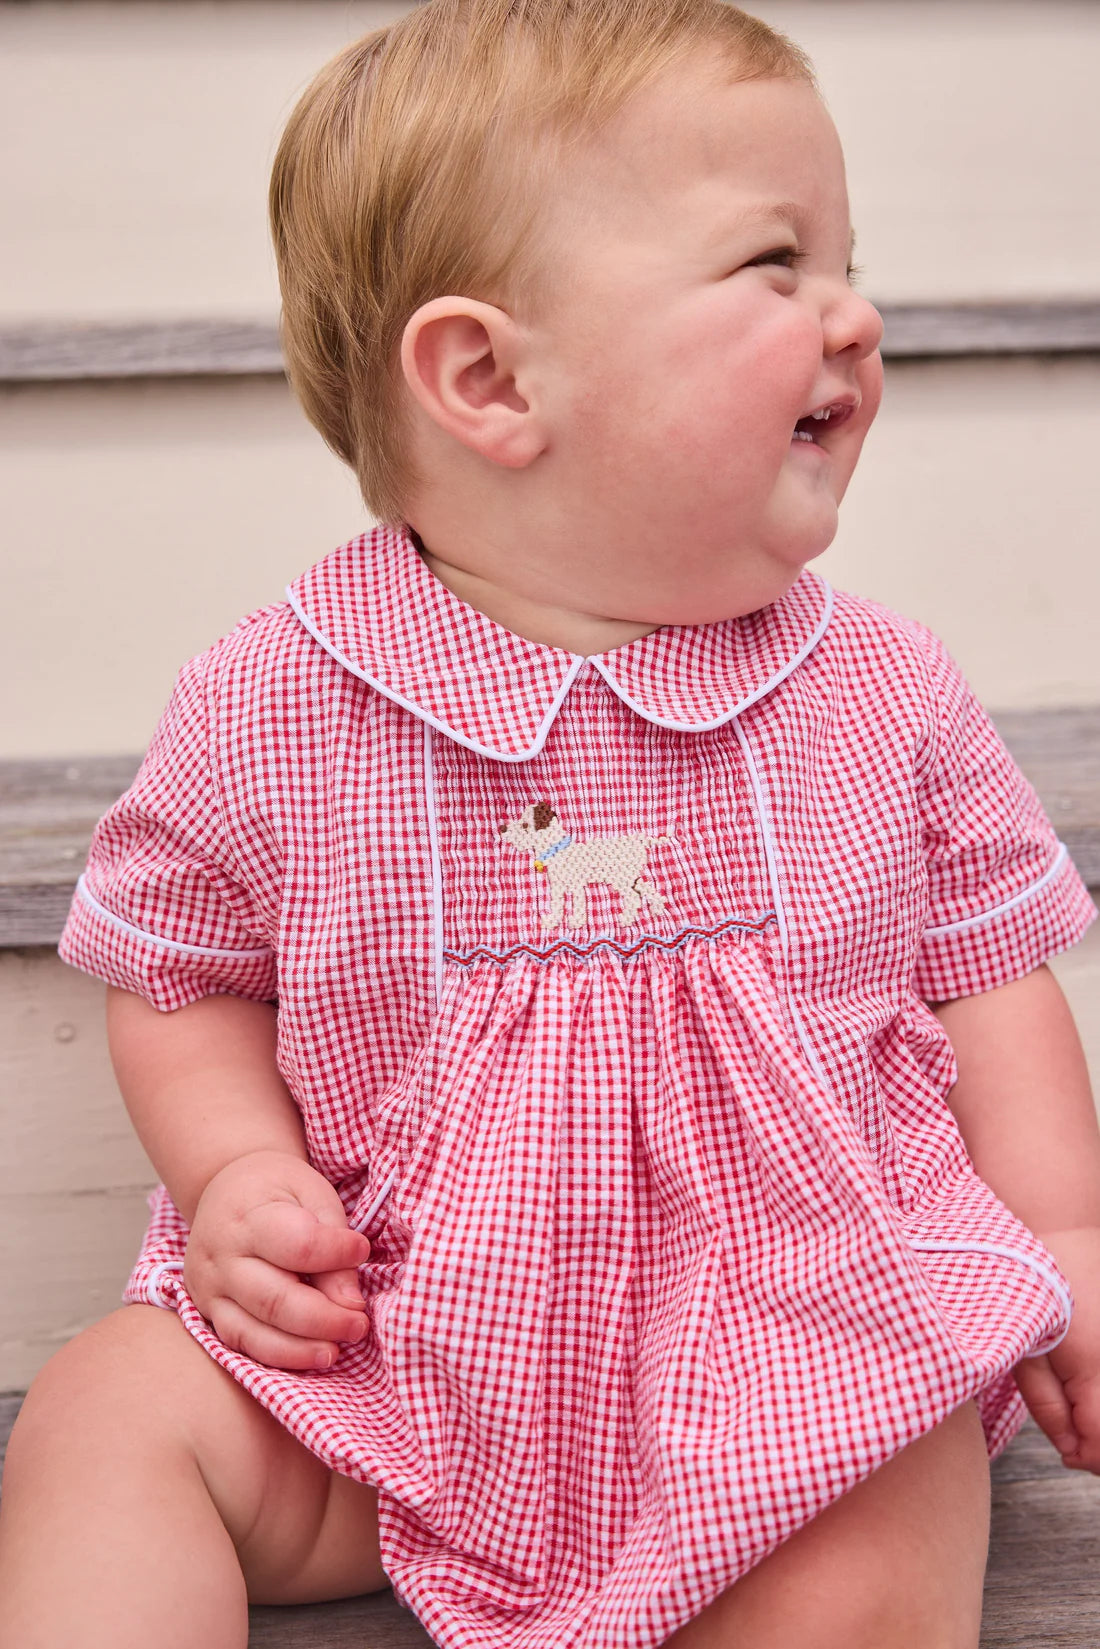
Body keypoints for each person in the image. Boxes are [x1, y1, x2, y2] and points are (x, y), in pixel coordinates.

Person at [2, 2, 1098, 1645]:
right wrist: (236, 1169)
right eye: (775, 263)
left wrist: (1065, 1230)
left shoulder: (879, 691)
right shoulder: (277, 700)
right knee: (103, 1412)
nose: (855, 314)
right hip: (399, 1353)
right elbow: (184, 970)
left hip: (799, 1354)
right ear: (489, 379)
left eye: (848, 259)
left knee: (888, 1482)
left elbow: (992, 970)